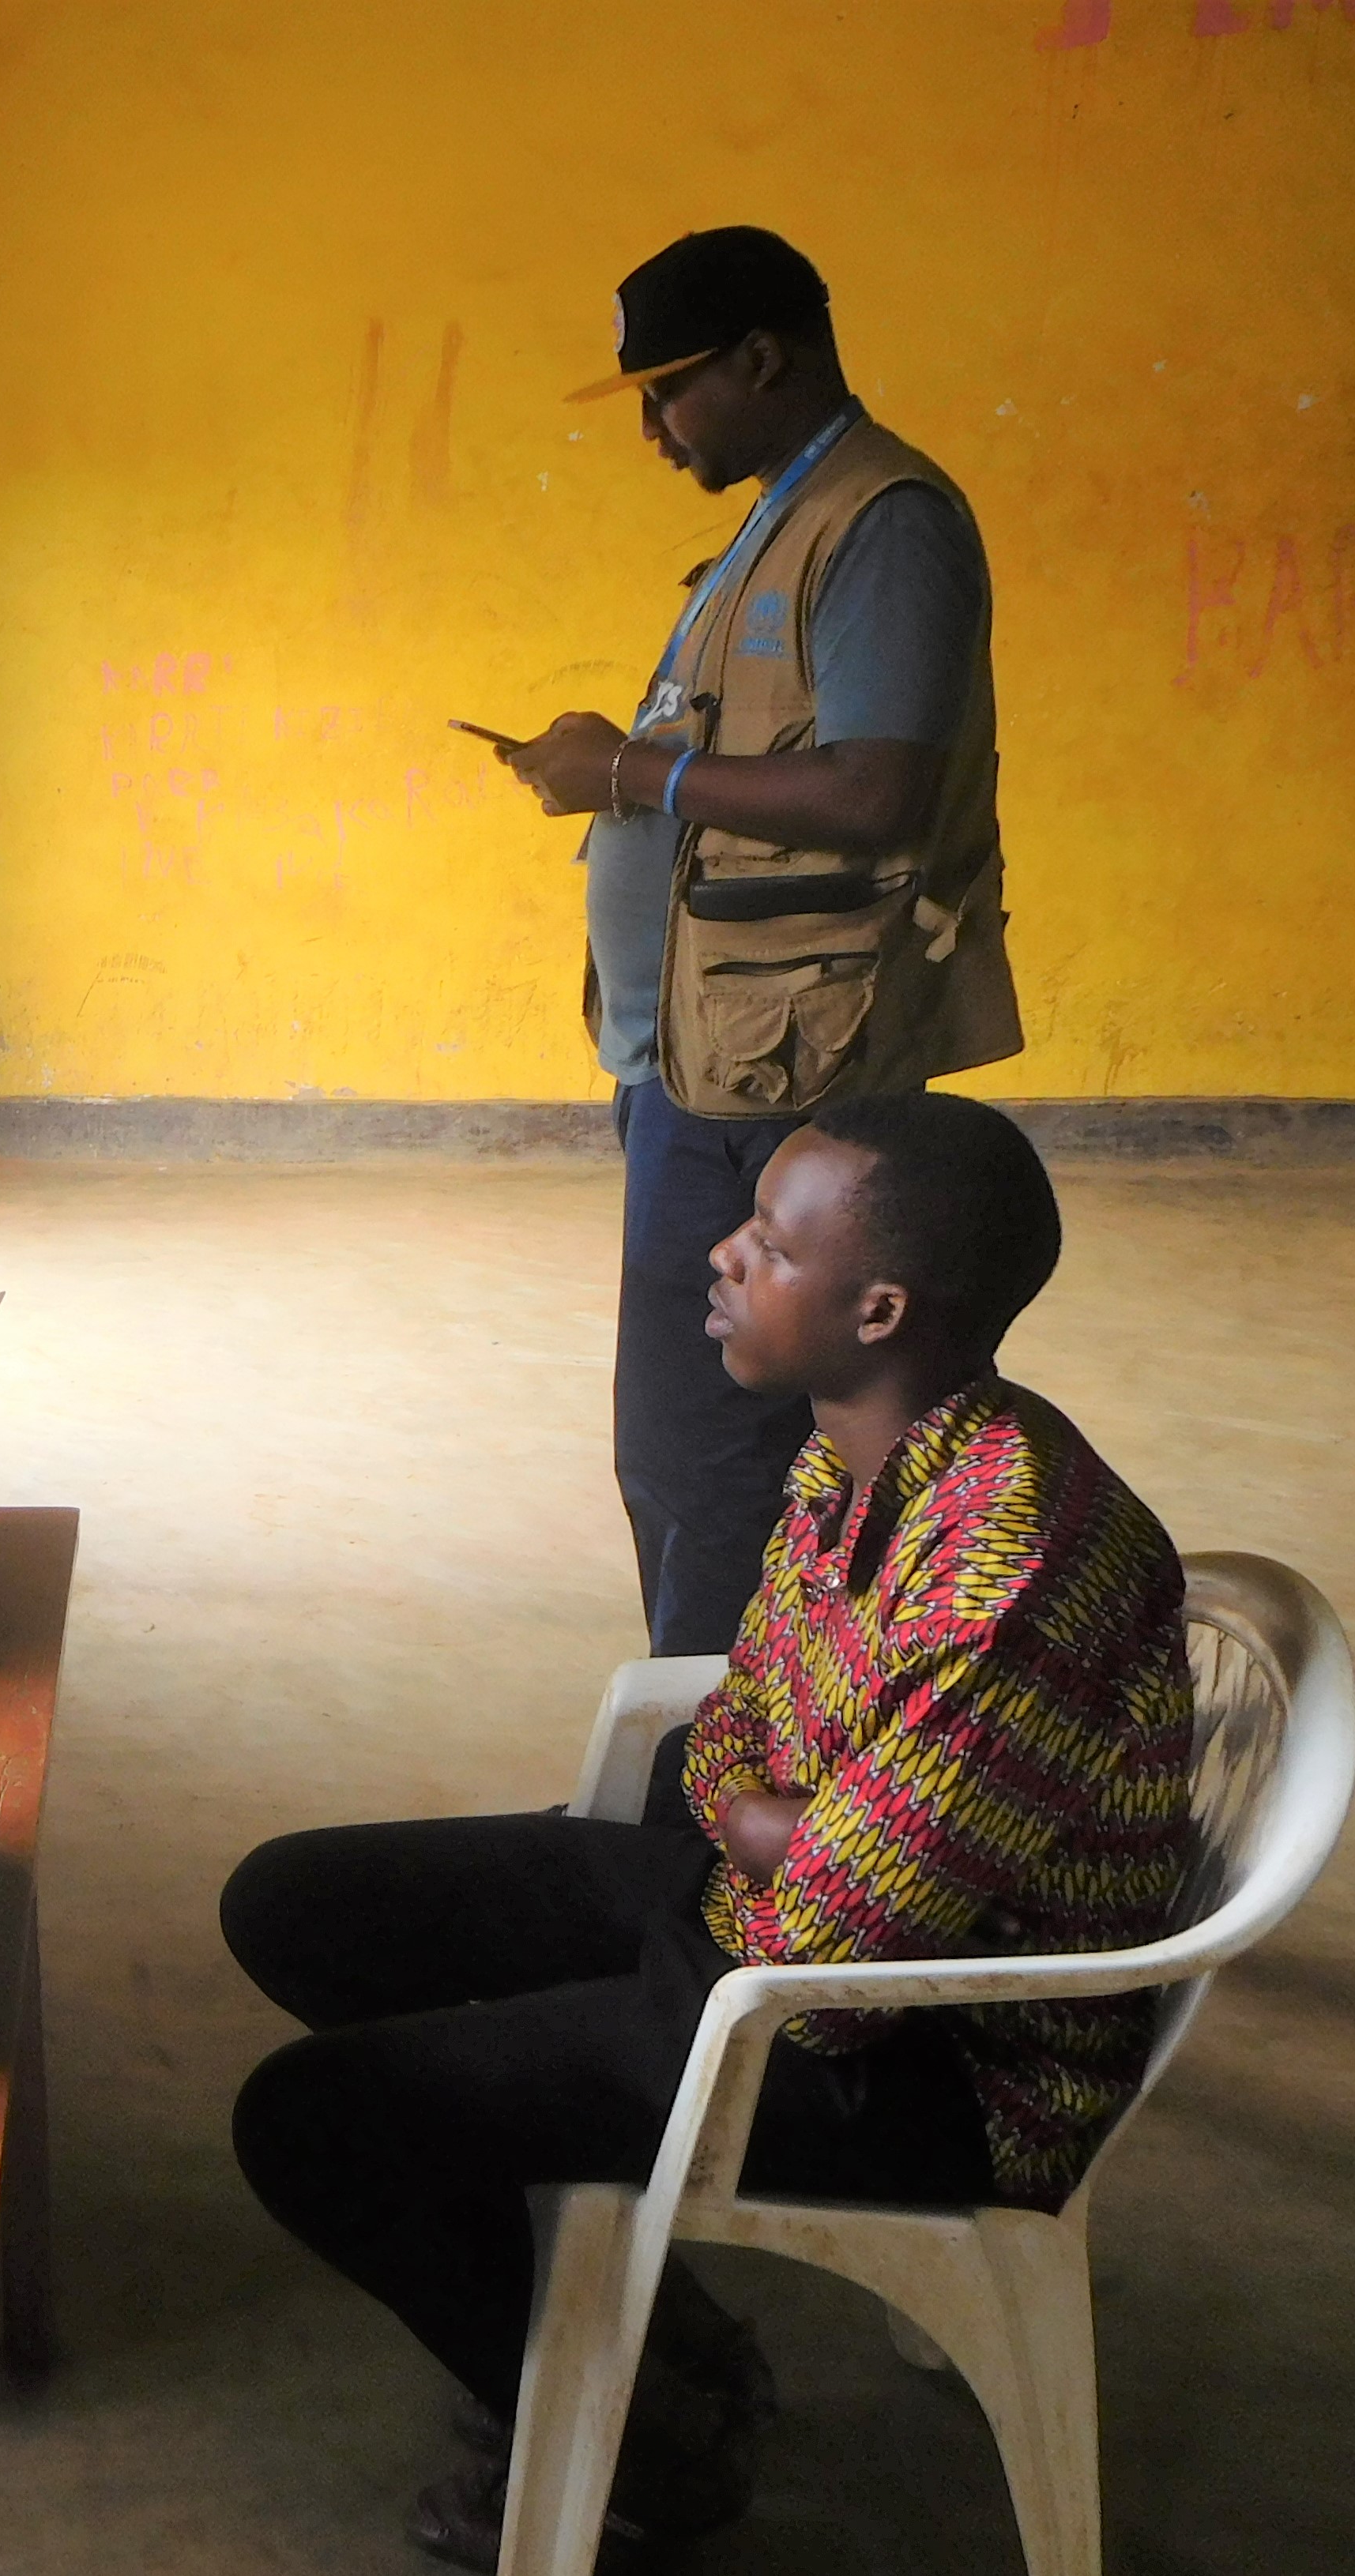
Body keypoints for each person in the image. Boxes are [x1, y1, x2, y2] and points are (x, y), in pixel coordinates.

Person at [222, 1093, 1195, 2576]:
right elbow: (729, 1736)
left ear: (874, 1306)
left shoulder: (1008, 1559)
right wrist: (779, 1821)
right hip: (778, 1938)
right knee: (297, 1906)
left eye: (768, 1243)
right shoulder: (853, 1458)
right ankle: (671, 2342)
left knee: (308, 2120)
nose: (723, 1259)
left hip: (920, 2054)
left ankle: (637, 2454)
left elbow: (838, 1944)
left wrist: (774, 1826)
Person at [480, 226, 1025, 1657]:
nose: (654, 428)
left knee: (705, 1456)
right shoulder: (781, 522)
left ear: (762, 359)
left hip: (782, 1071)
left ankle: (697, 1805)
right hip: (710, 1054)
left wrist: (626, 775)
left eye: (669, 392)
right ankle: (735, 1761)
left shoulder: (880, 520)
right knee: (701, 1457)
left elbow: (872, 788)